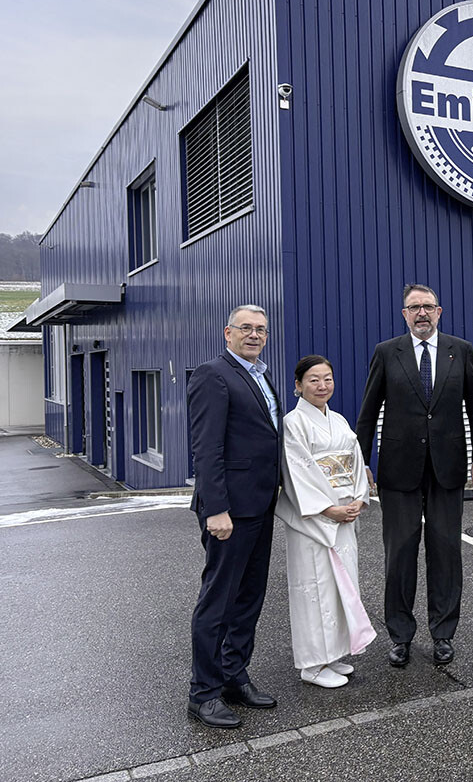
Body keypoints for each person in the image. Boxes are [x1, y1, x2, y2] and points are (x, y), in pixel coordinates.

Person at [355, 284, 473, 669]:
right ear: (404, 314)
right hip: (398, 470)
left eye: (428, 306)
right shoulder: (386, 352)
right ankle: (400, 635)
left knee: (446, 553)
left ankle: (443, 633)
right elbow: (368, 412)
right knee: (400, 555)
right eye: (414, 307)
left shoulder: (460, 350)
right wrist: (362, 463)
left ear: (439, 311)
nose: (422, 313)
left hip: (447, 468)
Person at [186, 305, 282, 729]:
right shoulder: (214, 375)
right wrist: (217, 509)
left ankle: (233, 676)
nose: (254, 335)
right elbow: (207, 449)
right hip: (230, 511)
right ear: (228, 333)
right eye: (246, 328)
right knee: (218, 601)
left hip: (260, 505)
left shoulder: (261, 376)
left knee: (248, 598)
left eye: (261, 329)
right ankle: (203, 693)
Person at [278, 355, 377, 688]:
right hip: (314, 520)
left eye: (327, 379)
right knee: (314, 587)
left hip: (344, 512)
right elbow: (298, 471)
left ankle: (332, 654)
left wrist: (358, 498)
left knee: (340, 586)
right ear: (298, 385)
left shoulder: (339, 420)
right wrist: (326, 509)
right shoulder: (294, 423)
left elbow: (356, 462)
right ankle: (312, 664)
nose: (322, 386)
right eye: (313, 380)